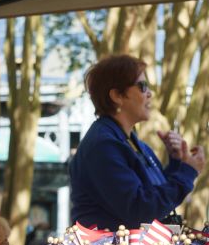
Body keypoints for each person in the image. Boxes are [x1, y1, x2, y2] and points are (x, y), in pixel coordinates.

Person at [69, 54, 205, 230]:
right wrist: (188, 171)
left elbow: (156, 198)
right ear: (117, 95)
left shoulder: (129, 141)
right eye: (142, 86)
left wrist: (177, 163)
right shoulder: (103, 146)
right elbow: (140, 209)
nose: (150, 93)